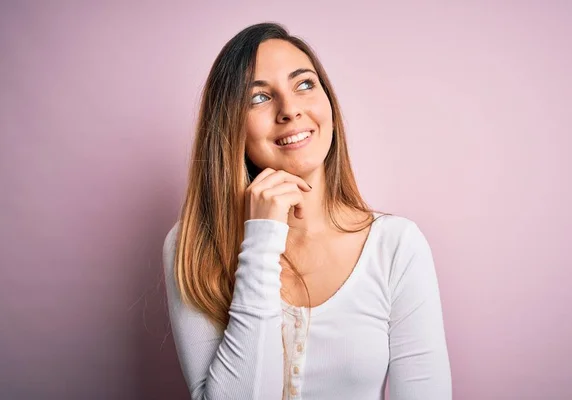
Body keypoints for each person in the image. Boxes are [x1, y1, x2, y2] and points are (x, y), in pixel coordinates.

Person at [162, 22, 452, 400]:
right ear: (228, 125)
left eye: (304, 84)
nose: (290, 110)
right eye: (259, 98)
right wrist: (261, 240)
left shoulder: (396, 245)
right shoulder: (193, 246)